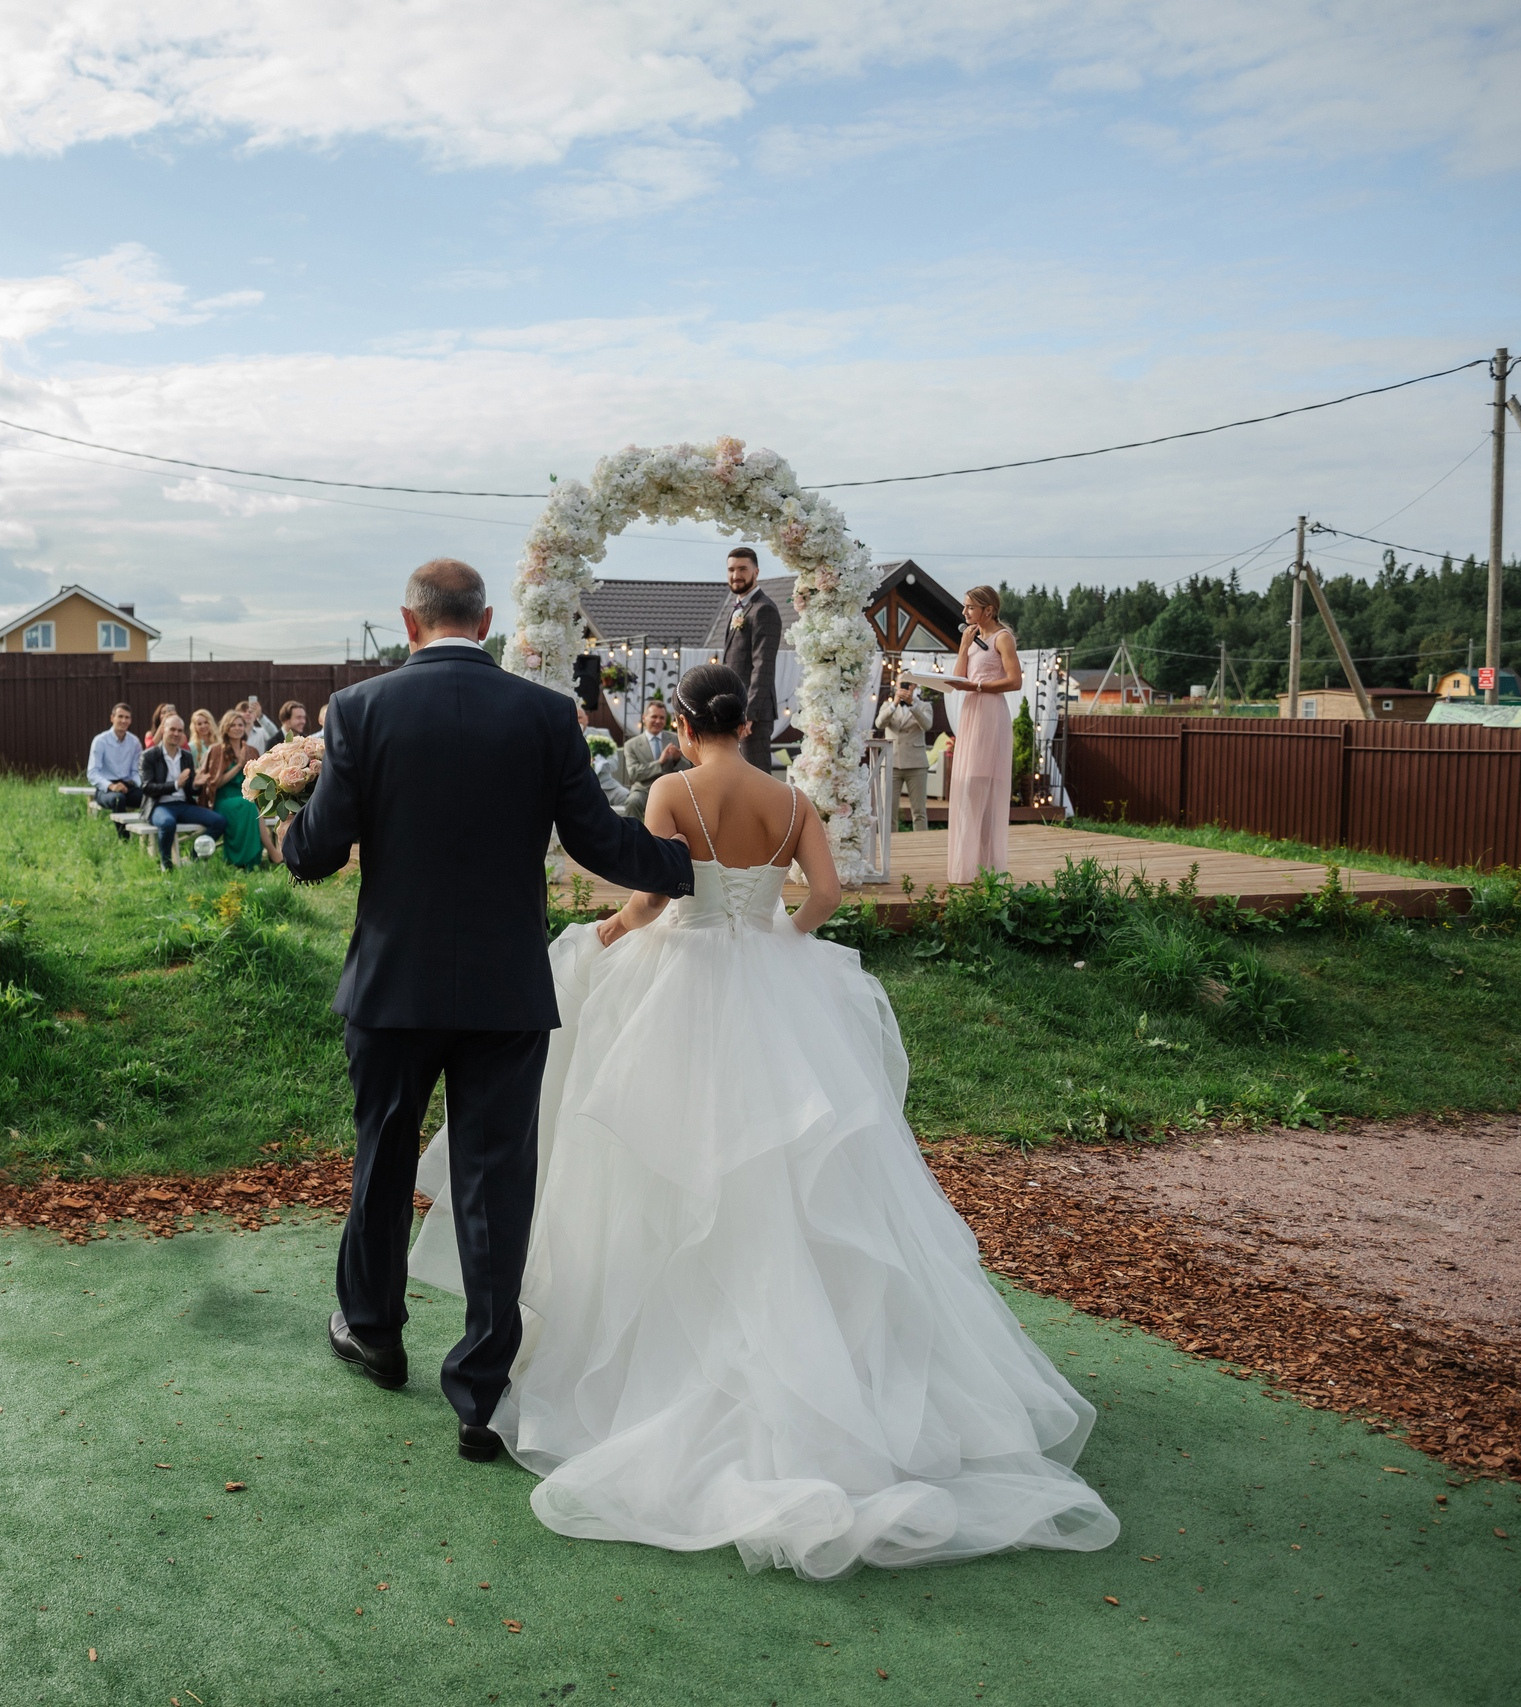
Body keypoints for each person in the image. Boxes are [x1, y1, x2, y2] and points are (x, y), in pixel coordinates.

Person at [408, 661, 1118, 1578]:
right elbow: (823, 896)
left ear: (684, 721)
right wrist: (781, 944)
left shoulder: (671, 787)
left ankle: (663, 1351)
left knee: (667, 1164)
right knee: (792, 1178)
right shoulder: (792, 801)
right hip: (774, 989)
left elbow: (654, 894)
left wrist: (610, 938)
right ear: (747, 721)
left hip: (681, 979)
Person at [283, 558, 695, 1463]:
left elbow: (316, 852)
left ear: (409, 619)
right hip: (507, 988)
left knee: (383, 1157)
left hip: (392, 988)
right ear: (487, 620)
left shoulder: (359, 709)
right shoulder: (545, 714)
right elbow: (597, 838)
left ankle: (374, 1333)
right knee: (495, 1181)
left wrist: (286, 821)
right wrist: (681, 868)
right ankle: (480, 1392)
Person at [945, 586, 1020, 882]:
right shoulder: (973, 640)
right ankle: (968, 866)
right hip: (971, 713)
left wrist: (977, 687)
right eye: (964, 608)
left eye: (970, 608)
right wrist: (963, 646)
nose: (964, 613)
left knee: (986, 787)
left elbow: (1014, 681)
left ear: (988, 610)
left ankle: (989, 868)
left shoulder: (1003, 638)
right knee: (967, 787)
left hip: (990, 713)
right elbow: (957, 679)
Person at [709, 545, 783, 773]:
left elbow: (763, 666)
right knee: (734, 776)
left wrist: (748, 715)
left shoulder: (764, 610)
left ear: (756, 572)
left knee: (756, 776)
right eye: (731, 569)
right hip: (734, 710)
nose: (736, 575)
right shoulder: (739, 609)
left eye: (742, 569)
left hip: (753, 716)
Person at [139, 714, 224, 869]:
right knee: (167, 823)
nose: (176, 734)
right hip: (158, 805)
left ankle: (193, 857)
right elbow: (147, 787)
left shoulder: (186, 756)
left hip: (183, 804)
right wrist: (175, 784)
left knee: (219, 821)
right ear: (163, 729)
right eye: (172, 729)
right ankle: (166, 864)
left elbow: (189, 788)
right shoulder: (149, 756)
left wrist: (196, 785)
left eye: (179, 730)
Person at [204, 709, 267, 868]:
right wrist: (239, 765)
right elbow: (215, 784)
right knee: (248, 806)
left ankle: (251, 861)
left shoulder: (251, 750)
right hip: (224, 799)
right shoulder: (217, 750)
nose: (238, 728)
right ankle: (240, 860)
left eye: (241, 725)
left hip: (246, 798)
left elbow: (259, 779)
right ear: (225, 728)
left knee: (249, 805)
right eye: (233, 725)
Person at [875, 680, 932, 832]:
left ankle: (922, 844)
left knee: (919, 811)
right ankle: (890, 845)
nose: (905, 687)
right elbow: (879, 724)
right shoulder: (888, 706)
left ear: (915, 687)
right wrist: (894, 704)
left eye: (909, 684)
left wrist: (912, 704)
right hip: (891, 763)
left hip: (916, 764)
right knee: (889, 810)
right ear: (896, 686)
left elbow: (927, 725)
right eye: (901, 684)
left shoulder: (924, 706)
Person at [615, 699, 686, 821]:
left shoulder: (675, 739)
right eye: (654, 717)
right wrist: (659, 763)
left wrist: (677, 759)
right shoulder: (631, 744)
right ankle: (634, 838)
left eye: (662, 718)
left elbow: (689, 768)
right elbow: (634, 773)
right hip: (643, 789)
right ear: (644, 718)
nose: (658, 721)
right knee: (633, 802)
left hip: (670, 789)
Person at [86, 702, 143, 813]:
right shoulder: (100, 741)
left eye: (127, 717)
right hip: (106, 789)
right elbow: (92, 773)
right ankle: (123, 831)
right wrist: (111, 786)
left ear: (130, 721)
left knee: (149, 798)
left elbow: (135, 771)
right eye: (120, 716)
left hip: (127, 786)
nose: (123, 721)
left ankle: (149, 829)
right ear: (112, 718)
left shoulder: (135, 742)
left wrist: (142, 785)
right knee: (118, 799)